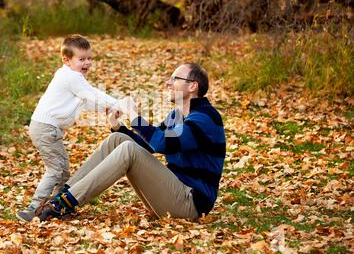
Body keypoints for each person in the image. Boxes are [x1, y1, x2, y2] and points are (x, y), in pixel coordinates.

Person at [35, 63, 226, 222]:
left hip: (191, 204)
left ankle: (63, 206)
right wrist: (119, 127)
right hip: (174, 191)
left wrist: (134, 115)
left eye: (175, 79)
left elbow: (162, 144)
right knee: (119, 139)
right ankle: (61, 197)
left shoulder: (205, 118)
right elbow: (150, 146)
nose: (168, 82)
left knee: (128, 150)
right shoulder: (176, 115)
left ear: (193, 86)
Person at [16, 34, 121, 222]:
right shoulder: (71, 77)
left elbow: (85, 102)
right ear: (66, 60)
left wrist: (106, 108)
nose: (87, 63)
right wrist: (117, 103)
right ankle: (33, 208)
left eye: (89, 58)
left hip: (49, 129)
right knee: (55, 171)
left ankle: (57, 207)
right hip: (45, 128)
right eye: (81, 59)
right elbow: (91, 94)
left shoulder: (72, 77)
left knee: (63, 171)